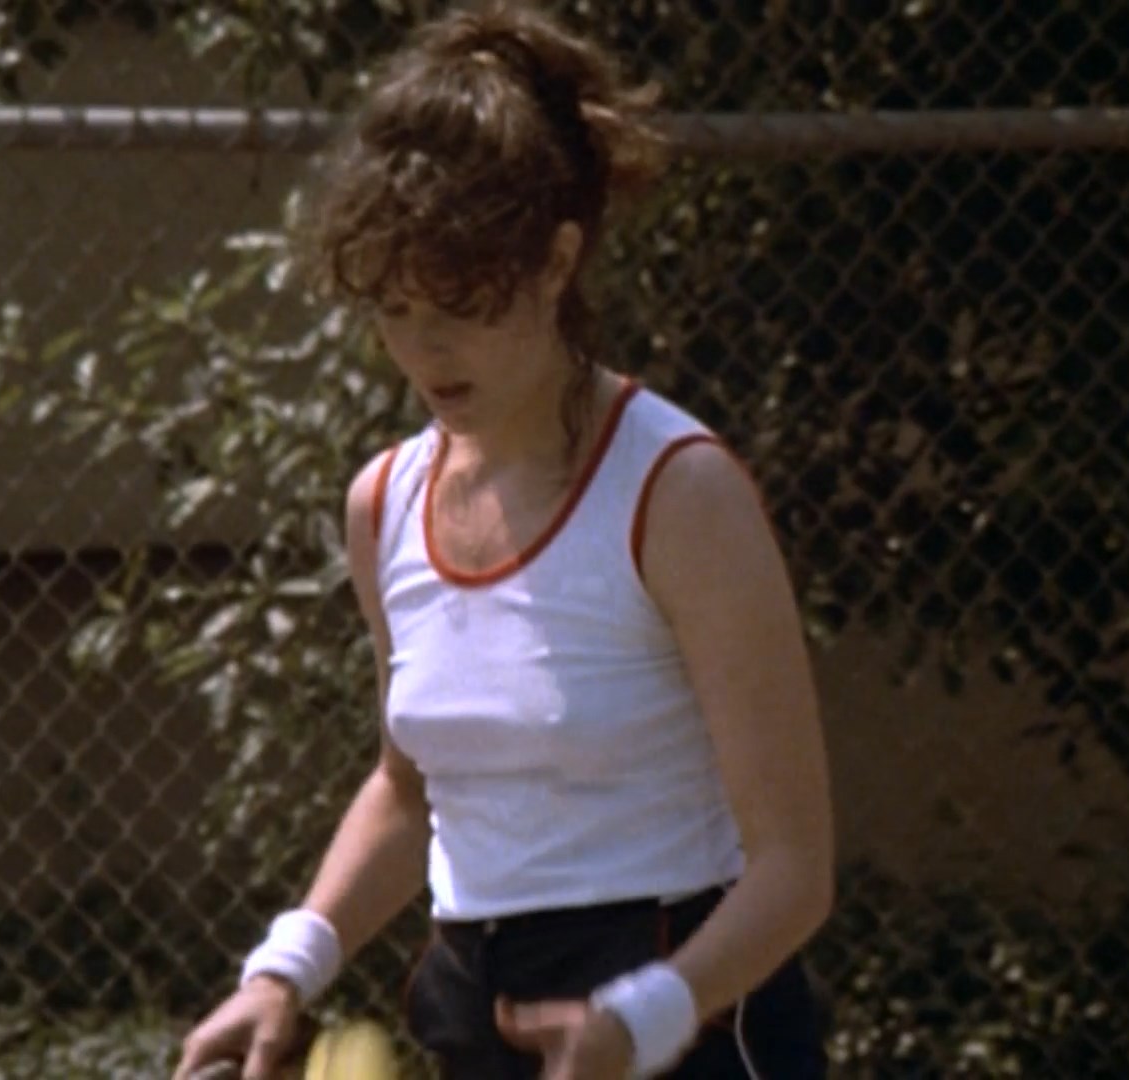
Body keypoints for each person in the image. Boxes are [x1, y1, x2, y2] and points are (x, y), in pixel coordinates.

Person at [172, 4, 834, 1078]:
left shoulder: (680, 492)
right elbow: (409, 784)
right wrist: (284, 971)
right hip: (475, 1007)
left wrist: (646, 1018)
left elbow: (795, 871)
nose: (425, 349)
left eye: (461, 304)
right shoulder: (383, 504)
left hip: (691, 1012)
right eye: (393, 308)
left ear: (557, 261)